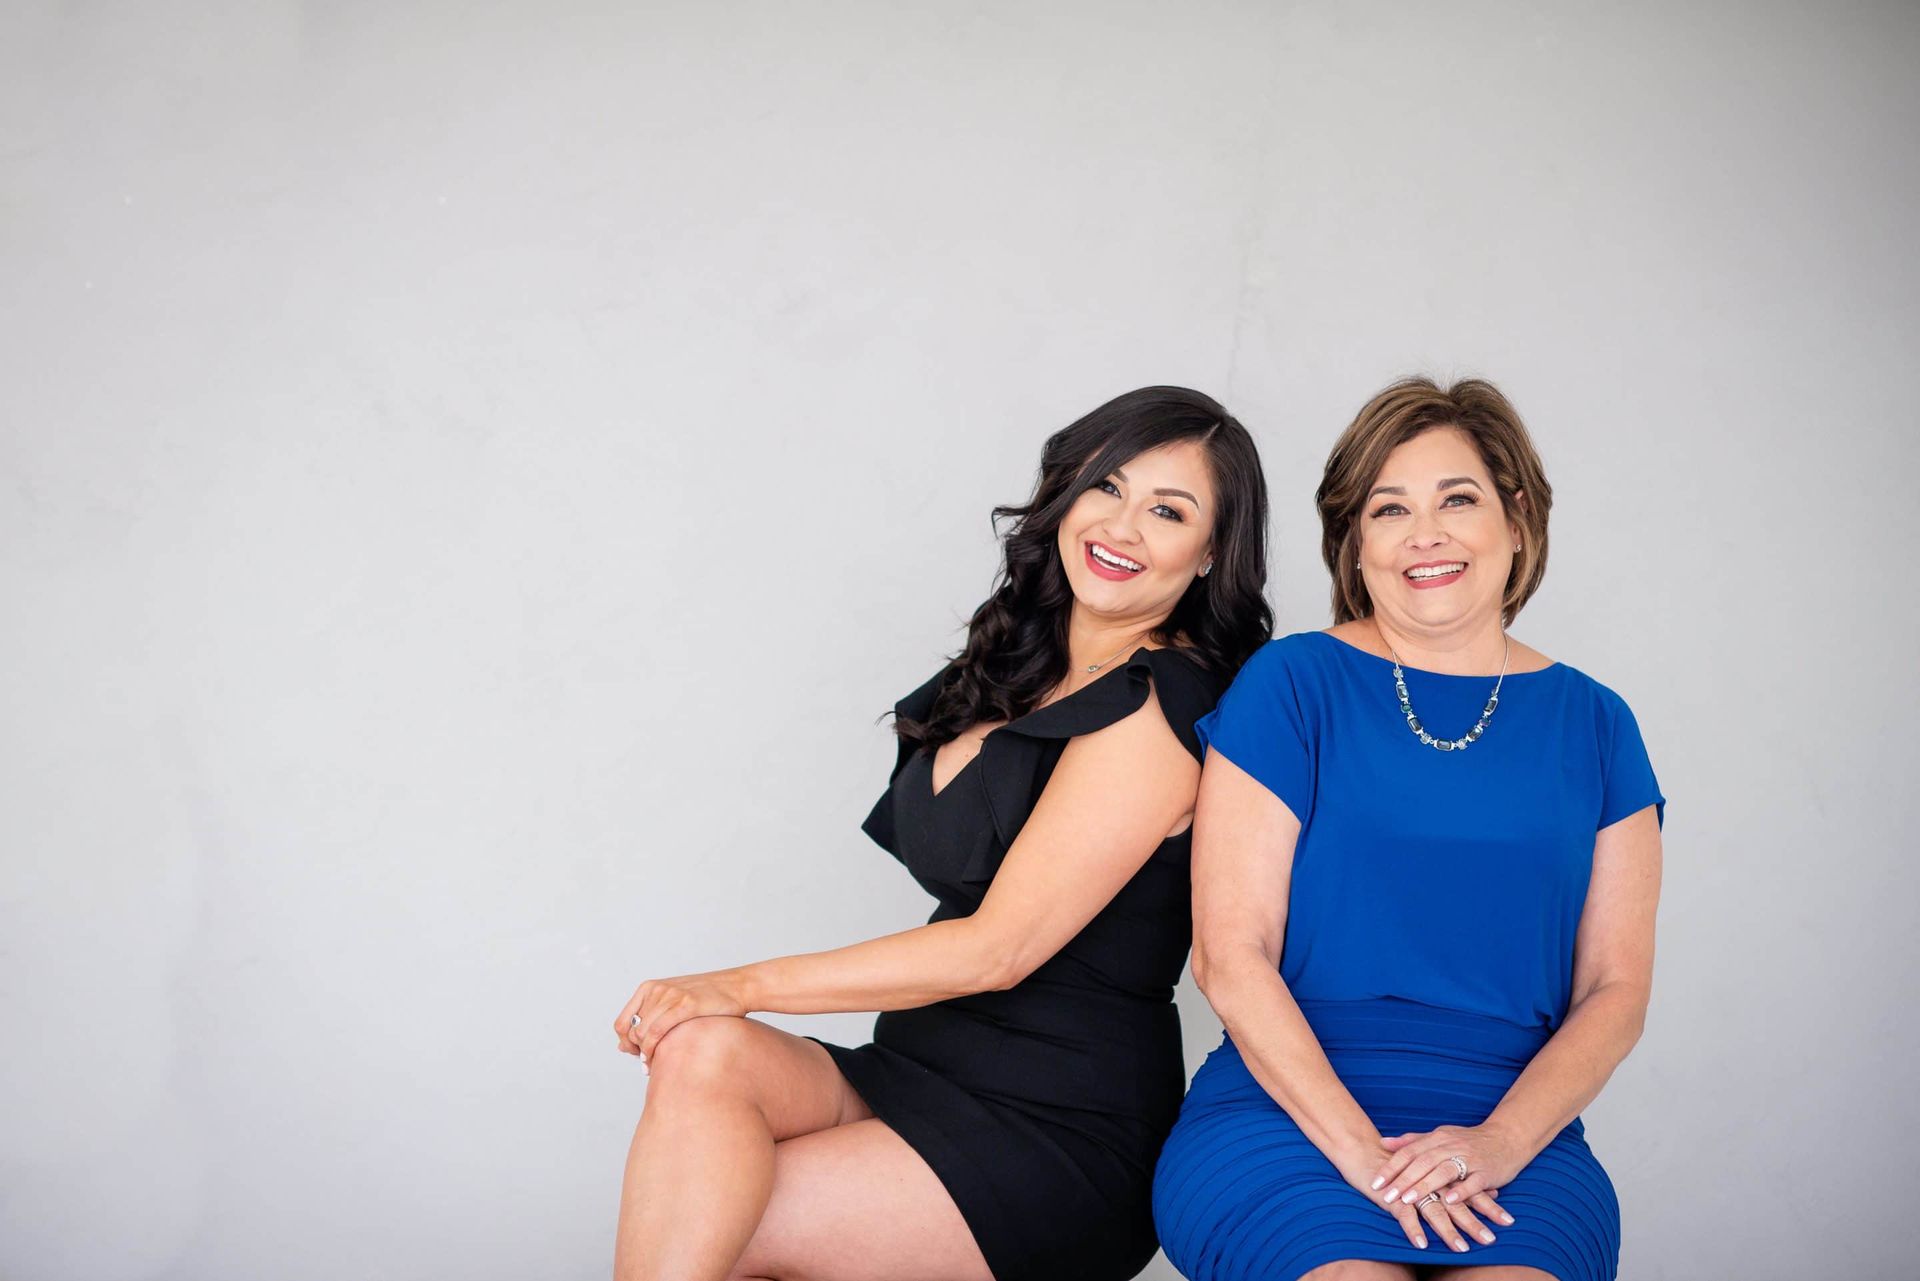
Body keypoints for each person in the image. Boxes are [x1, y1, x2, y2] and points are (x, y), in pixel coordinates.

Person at [611, 387, 1273, 1281]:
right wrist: (716, 1008)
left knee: (726, 1220)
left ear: (1208, 556)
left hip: (1055, 1123)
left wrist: (737, 981)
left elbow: (996, 950)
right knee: (701, 1051)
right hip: (916, 1066)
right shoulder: (1020, 656)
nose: (1123, 525)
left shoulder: (1157, 703)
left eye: (1168, 510)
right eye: (1107, 487)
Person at [1152, 377, 1664, 1281]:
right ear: (1356, 544)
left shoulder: (1597, 723)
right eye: (1389, 509)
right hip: (1291, 1115)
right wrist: (1364, 1153)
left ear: (1516, 518)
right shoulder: (1291, 685)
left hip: (1516, 1135)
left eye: (1456, 499)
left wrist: (1498, 1143)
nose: (1424, 533)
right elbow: (1230, 955)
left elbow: (1616, 990)